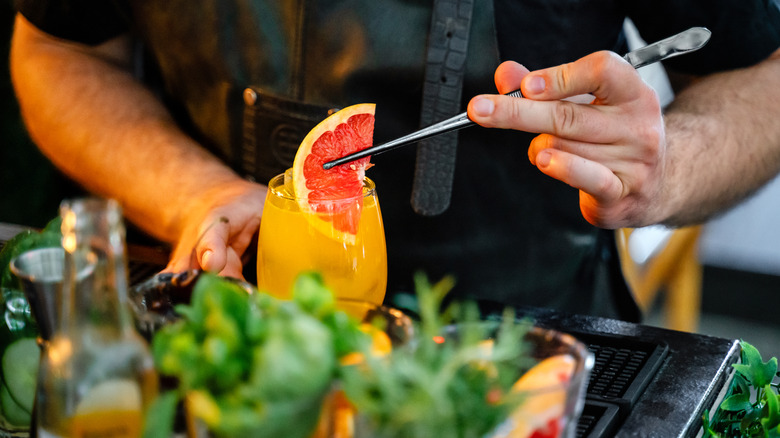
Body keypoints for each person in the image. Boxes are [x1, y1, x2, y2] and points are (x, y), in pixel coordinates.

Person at [9, 1, 780, 321]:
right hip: (221, 334)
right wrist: (190, 193)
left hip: (520, 341)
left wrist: (665, 167)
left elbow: (763, 75)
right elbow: (57, 50)